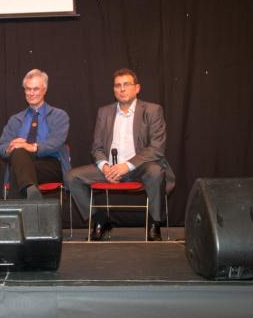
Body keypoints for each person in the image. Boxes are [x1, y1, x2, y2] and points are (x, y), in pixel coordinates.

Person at [65, 68, 175, 241]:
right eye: (117, 85)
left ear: (137, 88)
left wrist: (127, 166)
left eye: (126, 84)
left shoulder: (152, 110)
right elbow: (97, 147)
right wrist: (105, 166)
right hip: (110, 169)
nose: (122, 89)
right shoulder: (104, 112)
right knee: (72, 177)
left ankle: (154, 223)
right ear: (114, 89)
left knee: (156, 172)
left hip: (141, 167)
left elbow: (157, 148)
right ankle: (100, 220)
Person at [0, 69, 71, 199]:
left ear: (44, 90)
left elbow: (56, 142)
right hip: (21, 163)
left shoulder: (59, 115)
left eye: (36, 89)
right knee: (18, 153)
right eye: (28, 89)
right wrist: (9, 148)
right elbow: (2, 145)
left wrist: (31, 147)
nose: (31, 93)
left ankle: (21, 207)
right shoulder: (15, 120)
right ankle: (31, 193)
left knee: (18, 169)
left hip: (50, 165)